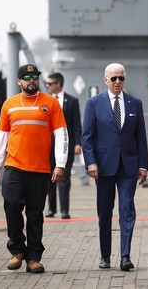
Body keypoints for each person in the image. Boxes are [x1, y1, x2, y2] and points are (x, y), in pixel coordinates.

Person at [0, 64, 68, 274]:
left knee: (35, 215)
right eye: (27, 77)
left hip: (40, 169)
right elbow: (1, 137)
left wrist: (60, 164)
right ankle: (17, 250)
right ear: (19, 81)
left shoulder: (50, 103)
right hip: (14, 166)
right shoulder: (9, 105)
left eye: (35, 77)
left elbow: (62, 134)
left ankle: (34, 257)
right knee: (12, 205)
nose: (31, 80)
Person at [82, 63, 148, 272]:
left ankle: (125, 256)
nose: (118, 82)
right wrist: (91, 162)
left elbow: (140, 138)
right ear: (106, 80)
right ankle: (105, 255)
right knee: (105, 213)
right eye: (114, 79)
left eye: (121, 78)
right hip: (103, 167)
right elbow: (87, 137)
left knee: (127, 210)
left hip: (128, 167)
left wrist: (143, 166)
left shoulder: (135, 103)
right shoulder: (93, 103)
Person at [45, 72, 82, 219]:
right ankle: (51, 209)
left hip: (66, 144)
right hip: (48, 145)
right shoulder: (45, 101)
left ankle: (65, 210)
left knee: (64, 177)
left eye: (49, 83)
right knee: (50, 178)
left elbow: (76, 124)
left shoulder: (71, 101)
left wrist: (78, 143)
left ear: (58, 84)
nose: (47, 86)